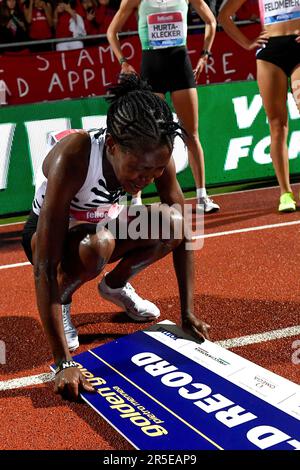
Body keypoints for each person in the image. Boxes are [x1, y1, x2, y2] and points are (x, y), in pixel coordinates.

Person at [22, 74, 210, 401]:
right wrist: (62, 361)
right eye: (138, 170)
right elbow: (43, 265)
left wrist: (187, 311)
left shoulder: (154, 153)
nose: (146, 179)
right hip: (53, 237)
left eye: (154, 172)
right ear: (112, 146)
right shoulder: (75, 156)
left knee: (174, 222)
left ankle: (116, 285)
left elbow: (187, 232)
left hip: (103, 226)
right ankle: (65, 299)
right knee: (98, 246)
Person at [107, 0, 220, 213]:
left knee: (191, 134)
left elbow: (211, 22)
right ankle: (136, 201)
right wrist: (123, 61)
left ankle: (202, 196)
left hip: (180, 68)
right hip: (152, 70)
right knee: (145, 138)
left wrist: (205, 54)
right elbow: (112, 32)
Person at [218, 0, 300, 213]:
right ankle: (285, 193)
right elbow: (224, 15)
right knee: (277, 125)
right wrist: (247, 43)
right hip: (270, 53)